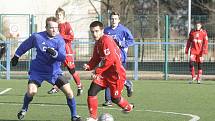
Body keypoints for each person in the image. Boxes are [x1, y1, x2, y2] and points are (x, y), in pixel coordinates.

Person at [11, 17, 82, 121]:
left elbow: (62, 56)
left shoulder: (60, 40)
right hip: (37, 71)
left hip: (54, 72)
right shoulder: (37, 37)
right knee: (31, 92)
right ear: (46, 27)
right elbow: (25, 45)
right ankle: (24, 109)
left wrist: (54, 53)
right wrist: (17, 55)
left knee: (69, 92)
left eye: (56, 28)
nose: (54, 30)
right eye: (51, 27)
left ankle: (74, 116)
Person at [83, 21, 134, 121]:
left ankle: (128, 107)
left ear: (102, 31)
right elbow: (96, 58)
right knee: (92, 91)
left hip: (116, 75)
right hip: (105, 73)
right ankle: (93, 117)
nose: (94, 34)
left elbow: (110, 60)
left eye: (97, 31)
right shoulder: (98, 43)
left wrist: (97, 71)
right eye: (92, 32)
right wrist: (89, 66)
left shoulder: (106, 40)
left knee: (115, 99)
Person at [47, 7, 83, 96]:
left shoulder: (67, 25)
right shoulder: (54, 26)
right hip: (57, 51)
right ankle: (56, 87)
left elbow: (71, 37)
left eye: (60, 15)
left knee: (72, 70)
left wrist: (60, 36)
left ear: (63, 16)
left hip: (66, 51)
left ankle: (79, 86)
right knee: (55, 69)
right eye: (57, 15)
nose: (58, 16)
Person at [102, 11, 134, 106]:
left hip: (120, 58)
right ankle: (108, 100)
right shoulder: (106, 30)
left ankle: (127, 83)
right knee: (108, 77)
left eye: (115, 19)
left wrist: (122, 44)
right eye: (112, 19)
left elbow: (131, 40)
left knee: (118, 78)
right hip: (109, 58)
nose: (114, 20)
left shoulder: (123, 30)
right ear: (110, 20)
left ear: (119, 20)